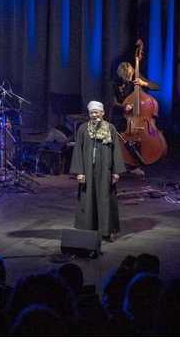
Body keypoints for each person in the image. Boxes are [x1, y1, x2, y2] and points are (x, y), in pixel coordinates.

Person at [69, 101, 127, 242]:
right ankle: (88, 229)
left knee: (107, 200)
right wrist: (80, 172)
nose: (94, 115)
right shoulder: (83, 129)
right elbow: (78, 151)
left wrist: (116, 171)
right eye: (92, 113)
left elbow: (116, 151)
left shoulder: (111, 128)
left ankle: (109, 230)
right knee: (87, 199)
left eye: (97, 112)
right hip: (88, 170)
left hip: (105, 171)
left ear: (102, 113)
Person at [110, 62, 160, 176]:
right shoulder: (114, 83)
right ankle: (119, 166)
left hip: (135, 116)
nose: (129, 80)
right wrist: (124, 107)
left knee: (134, 138)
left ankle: (133, 165)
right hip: (119, 115)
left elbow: (156, 87)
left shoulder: (136, 77)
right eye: (126, 78)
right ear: (119, 74)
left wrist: (144, 83)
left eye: (130, 77)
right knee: (120, 140)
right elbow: (113, 102)